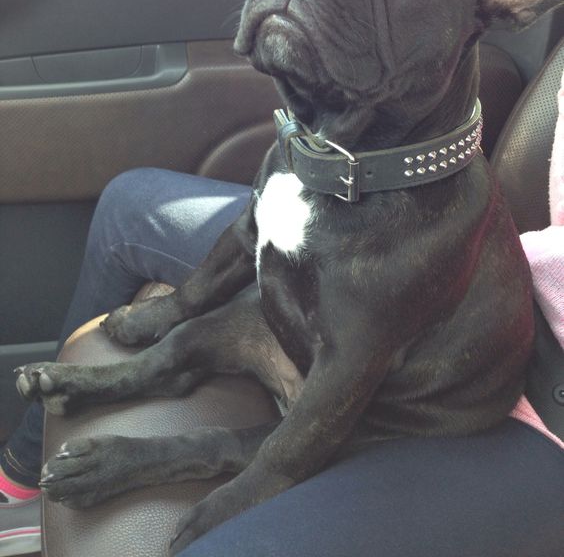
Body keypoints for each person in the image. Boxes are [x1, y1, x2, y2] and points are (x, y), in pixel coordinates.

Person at [1, 74, 563, 556]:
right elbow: (251, 228)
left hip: (499, 404)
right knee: (130, 203)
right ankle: (24, 473)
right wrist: (183, 305)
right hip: (499, 259)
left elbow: (352, 358)